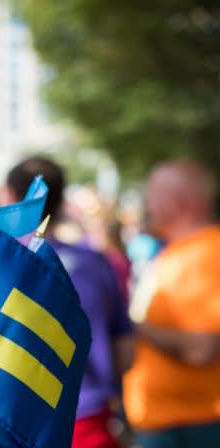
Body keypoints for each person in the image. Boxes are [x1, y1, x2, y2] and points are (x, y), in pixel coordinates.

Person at [4, 156, 134, 448]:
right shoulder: (97, 263)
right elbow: (126, 353)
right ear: (61, 199)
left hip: (14, 425)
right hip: (89, 419)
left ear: (10, 198)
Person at [123, 160, 220, 447]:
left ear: (178, 202)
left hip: (193, 427)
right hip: (176, 424)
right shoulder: (183, 250)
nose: (147, 205)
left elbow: (200, 349)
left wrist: (135, 327)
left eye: (151, 195)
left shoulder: (206, 253)